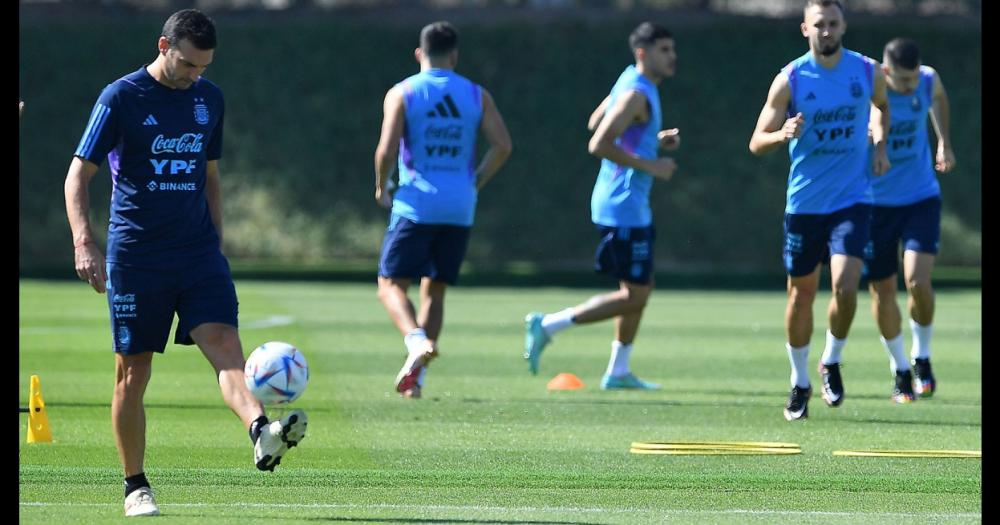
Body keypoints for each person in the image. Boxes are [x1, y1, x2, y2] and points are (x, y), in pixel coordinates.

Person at [63, 9, 307, 517]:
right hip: (138, 255)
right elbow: (77, 176)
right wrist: (85, 241)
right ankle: (135, 486)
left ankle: (261, 431)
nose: (197, 75)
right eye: (190, 64)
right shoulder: (121, 98)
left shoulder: (209, 99)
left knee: (224, 347)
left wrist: (216, 240)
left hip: (198, 254)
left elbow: (210, 175)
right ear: (163, 46)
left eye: (205, 67)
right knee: (133, 373)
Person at [748, 0, 891, 421]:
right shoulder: (790, 79)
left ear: (843, 26)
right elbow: (756, 141)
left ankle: (831, 359)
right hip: (805, 204)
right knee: (802, 294)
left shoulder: (866, 71)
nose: (826, 31)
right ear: (804, 29)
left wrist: (879, 145)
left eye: (833, 24)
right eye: (818, 25)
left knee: (846, 286)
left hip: (853, 200)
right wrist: (783, 134)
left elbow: (882, 106)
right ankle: (799, 382)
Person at [523, 22, 679, 390]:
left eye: (672, 50)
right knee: (636, 294)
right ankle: (548, 325)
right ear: (642, 54)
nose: (672, 57)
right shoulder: (636, 93)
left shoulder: (631, 82)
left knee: (639, 289)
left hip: (628, 203)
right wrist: (652, 164)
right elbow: (598, 142)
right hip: (622, 204)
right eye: (664, 50)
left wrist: (652, 142)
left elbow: (598, 121)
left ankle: (619, 371)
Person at [374, 21, 512, 399]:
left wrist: (380, 184)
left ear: (420, 54)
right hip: (460, 206)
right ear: (454, 56)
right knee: (433, 291)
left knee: (389, 285)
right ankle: (416, 380)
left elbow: (386, 149)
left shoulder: (403, 92)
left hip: (417, 203)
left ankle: (415, 340)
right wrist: (476, 181)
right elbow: (502, 145)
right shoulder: (475, 94)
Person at [864, 37, 955, 403]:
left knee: (917, 280)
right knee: (883, 291)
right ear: (886, 73)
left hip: (920, 196)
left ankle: (922, 355)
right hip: (874, 204)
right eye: (903, 81)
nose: (910, 86)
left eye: (914, 78)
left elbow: (940, 101)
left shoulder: (928, 80)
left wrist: (943, 141)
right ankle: (900, 369)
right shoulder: (869, 86)